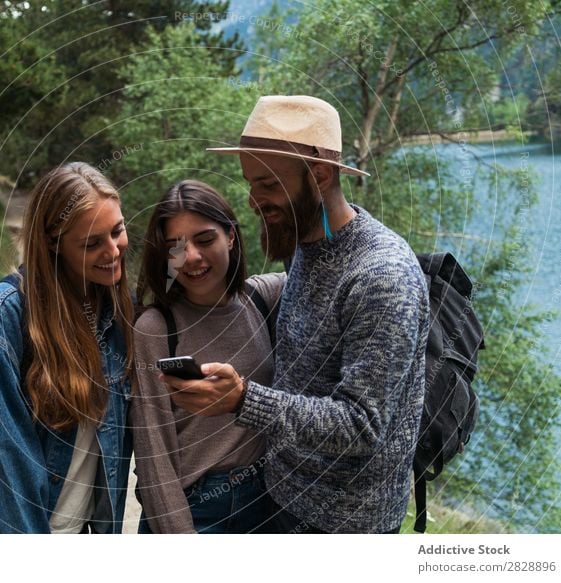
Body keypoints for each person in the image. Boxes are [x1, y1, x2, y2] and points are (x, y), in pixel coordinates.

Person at [162, 95, 431, 533]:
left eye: (268, 184)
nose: (253, 200)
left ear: (320, 176)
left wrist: (243, 400)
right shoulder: (306, 244)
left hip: (344, 528)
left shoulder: (384, 276)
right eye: (250, 183)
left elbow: (361, 427)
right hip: (281, 501)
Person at [0, 162, 135, 534]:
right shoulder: (4, 317)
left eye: (117, 231)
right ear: (53, 244)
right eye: (92, 243)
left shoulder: (120, 314)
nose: (113, 250)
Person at [131, 179, 285, 533]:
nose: (193, 257)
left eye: (205, 239)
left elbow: (328, 270)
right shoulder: (156, 328)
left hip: (266, 504)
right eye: (177, 246)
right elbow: (154, 454)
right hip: (194, 509)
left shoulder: (262, 298)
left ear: (230, 236)